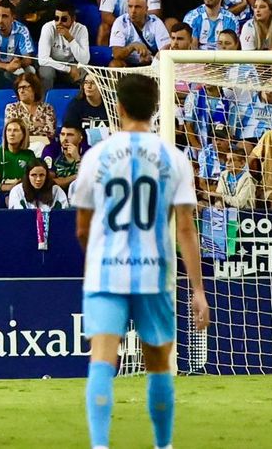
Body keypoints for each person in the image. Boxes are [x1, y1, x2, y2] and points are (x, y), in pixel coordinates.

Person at [75, 72, 210, 449]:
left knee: (102, 359)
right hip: (155, 273)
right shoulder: (175, 158)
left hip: (105, 272)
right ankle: (163, 446)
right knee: (159, 363)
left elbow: (82, 226)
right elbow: (186, 229)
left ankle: (100, 446)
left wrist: (98, 256)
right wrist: (198, 290)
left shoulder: (96, 156)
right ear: (155, 110)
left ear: (116, 107)